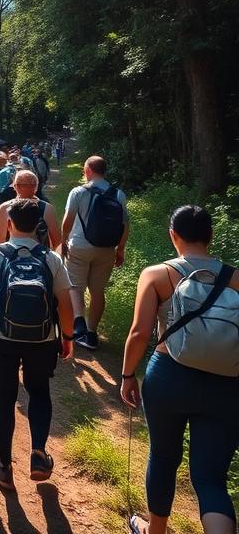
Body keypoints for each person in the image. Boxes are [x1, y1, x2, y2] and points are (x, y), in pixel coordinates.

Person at [121, 205, 239, 534]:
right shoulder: (236, 278)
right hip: (226, 382)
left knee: (162, 456)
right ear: (211, 236)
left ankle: (155, 529)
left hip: (169, 376)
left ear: (173, 235)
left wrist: (128, 375)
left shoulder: (158, 275)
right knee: (210, 477)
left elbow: (140, 333)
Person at [0, 198, 74, 490]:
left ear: (9, 224)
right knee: (40, 391)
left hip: (1, 337)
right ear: (38, 226)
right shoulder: (51, 258)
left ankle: (4, 466)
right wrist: (66, 337)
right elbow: (65, 304)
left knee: (4, 397)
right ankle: (39, 455)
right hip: (42, 339)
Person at [61, 155, 129, 351]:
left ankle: (79, 322)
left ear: (88, 170)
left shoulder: (78, 192)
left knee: (75, 286)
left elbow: (68, 219)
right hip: (107, 248)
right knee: (98, 291)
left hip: (80, 246)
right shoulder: (118, 194)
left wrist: (64, 241)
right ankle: (91, 334)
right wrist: (120, 249)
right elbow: (125, 226)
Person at [0, 170, 62, 250]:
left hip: (12, 258)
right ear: (36, 187)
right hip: (39, 258)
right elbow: (57, 241)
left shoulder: (5, 208)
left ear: (15, 186)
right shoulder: (47, 208)